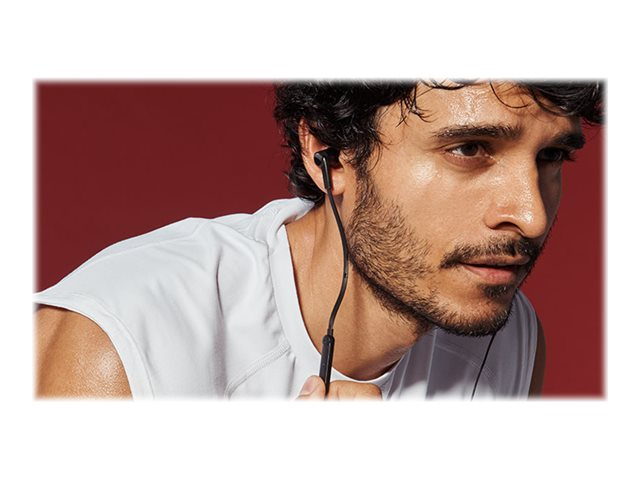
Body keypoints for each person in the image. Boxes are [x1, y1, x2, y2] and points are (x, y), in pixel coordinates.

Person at [34, 80, 603, 400]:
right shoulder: (121, 342)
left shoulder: (508, 338)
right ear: (330, 153)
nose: (531, 215)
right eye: (469, 149)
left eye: (552, 155)